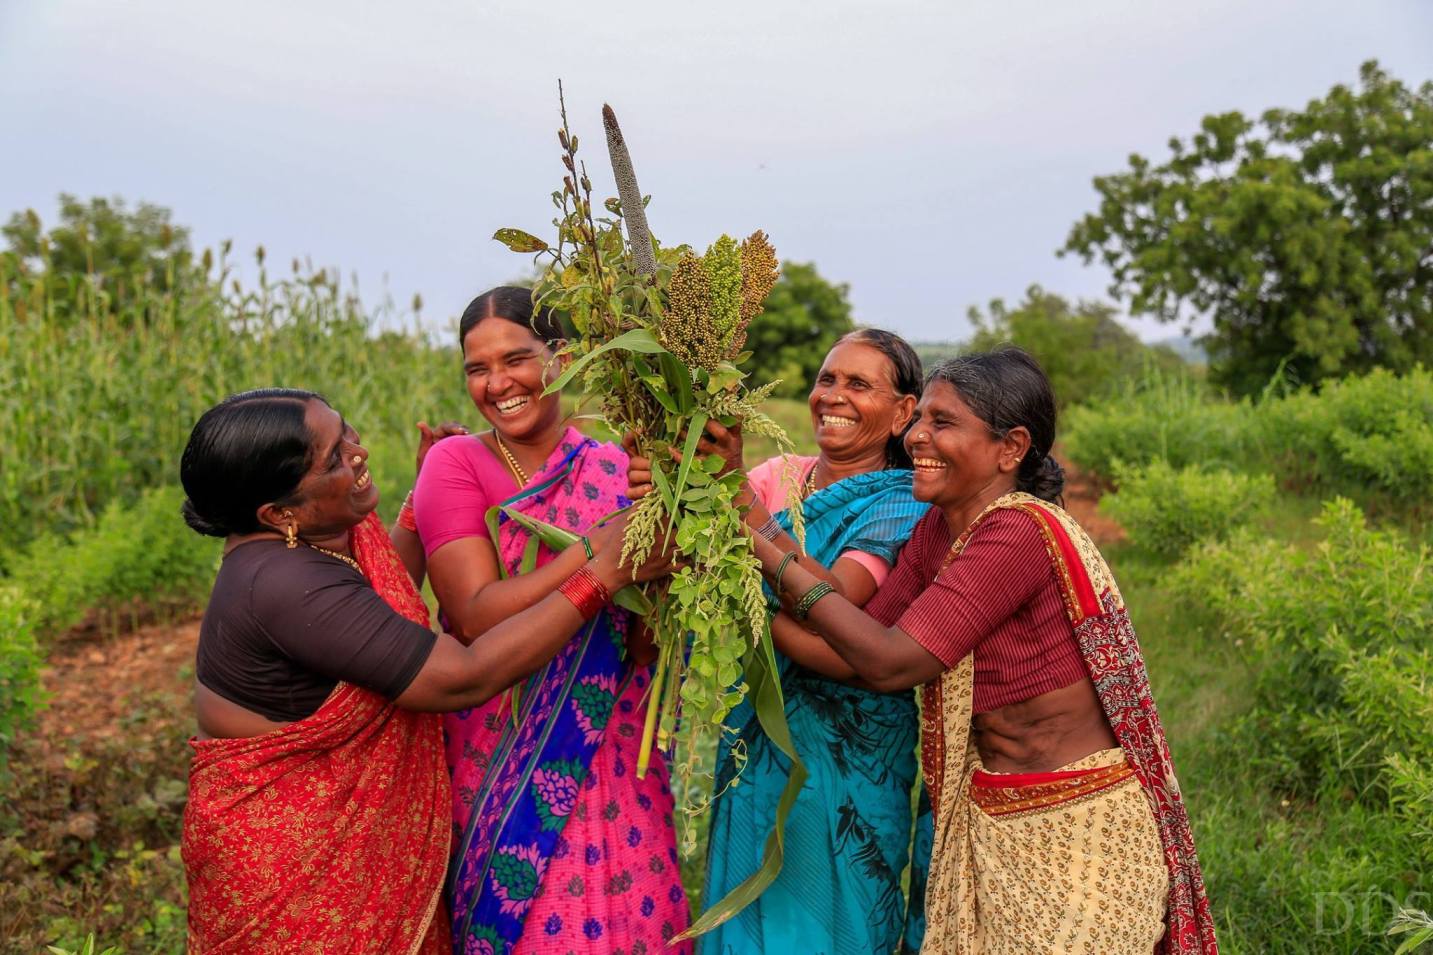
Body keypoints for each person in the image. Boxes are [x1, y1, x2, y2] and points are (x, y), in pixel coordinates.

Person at [746, 349, 1219, 954]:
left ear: (1011, 447)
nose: (917, 436)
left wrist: (759, 533)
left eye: (943, 423)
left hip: (1078, 830)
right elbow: (855, 658)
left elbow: (891, 661)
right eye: (923, 421)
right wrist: (751, 601)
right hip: (995, 819)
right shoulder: (937, 530)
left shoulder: (1016, 531)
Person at [178, 388, 671, 954]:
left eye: (348, 433)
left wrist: (421, 501)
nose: (358, 454)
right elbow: (461, 676)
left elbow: (376, 608)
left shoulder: (309, 542)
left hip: (329, 852)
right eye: (335, 459)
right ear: (279, 513)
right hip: (297, 864)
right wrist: (601, 570)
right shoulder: (284, 584)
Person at [630, 329, 932, 955]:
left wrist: (742, 512)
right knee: (750, 915)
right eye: (827, 380)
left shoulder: (904, 500)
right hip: (757, 746)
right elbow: (701, 571)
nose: (833, 397)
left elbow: (834, 601)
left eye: (858, 384)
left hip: (850, 757)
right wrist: (669, 495)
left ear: (904, 411)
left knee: (838, 921)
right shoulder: (777, 476)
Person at [413, 288, 691, 954]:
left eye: (516, 359)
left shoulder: (617, 466)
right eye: (477, 369)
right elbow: (475, 615)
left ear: (561, 357)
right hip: (502, 741)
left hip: (615, 740)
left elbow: (644, 642)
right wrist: (604, 555)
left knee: (639, 921)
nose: (497, 383)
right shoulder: (454, 464)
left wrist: (676, 544)